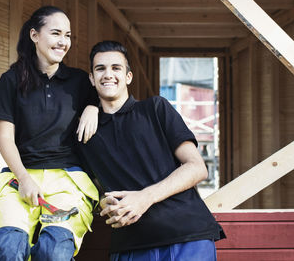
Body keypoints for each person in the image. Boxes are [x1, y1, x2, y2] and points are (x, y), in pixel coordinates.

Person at [77, 40, 226, 261]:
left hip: (186, 235)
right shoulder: (85, 134)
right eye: (100, 69)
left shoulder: (156, 109)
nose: (108, 74)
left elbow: (197, 168)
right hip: (131, 245)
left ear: (128, 77)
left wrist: (145, 198)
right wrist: (102, 203)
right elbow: (92, 189)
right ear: (92, 78)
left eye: (116, 68)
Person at [0, 6, 99, 260]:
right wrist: (24, 179)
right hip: (18, 179)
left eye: (68, 35)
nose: (63, 42)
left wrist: (93, 106)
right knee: (7, 249)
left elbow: (112, 98)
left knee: (54, 251)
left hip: (68, 183)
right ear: (34, 35)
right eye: (56, 33)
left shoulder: (79, 81)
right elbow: (5, 139)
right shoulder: (11, 80)